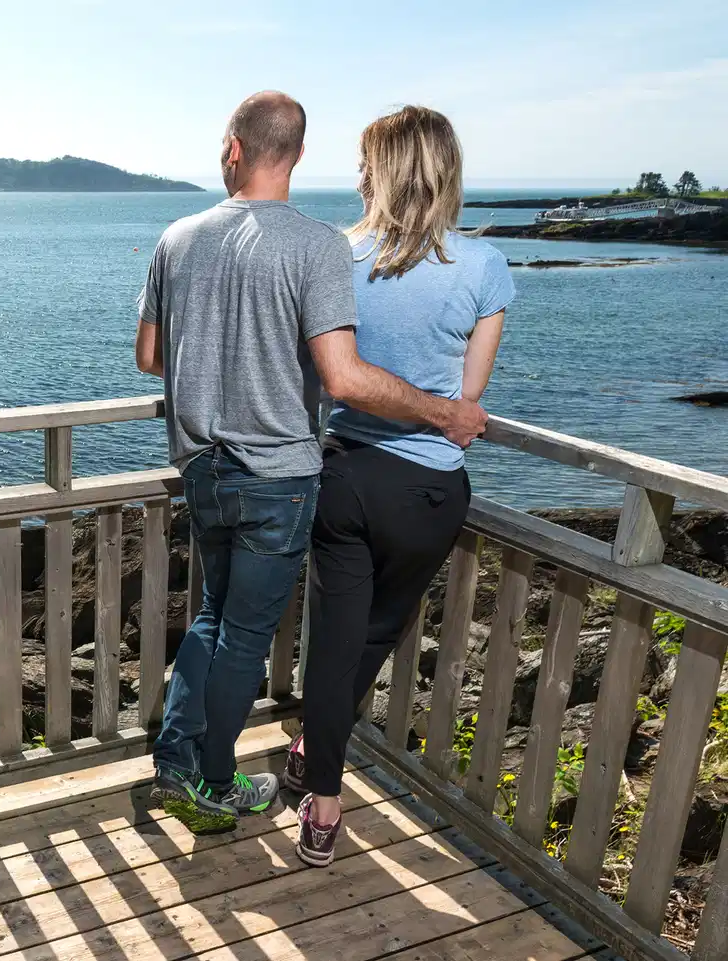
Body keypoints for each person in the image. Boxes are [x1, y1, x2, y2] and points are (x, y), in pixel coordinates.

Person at [135, 91, 488, 834]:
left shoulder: (177, 235)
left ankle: (175, 759)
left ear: (233, 149)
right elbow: (344, 378)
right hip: (279, 476)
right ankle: (214, 782)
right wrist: (443, 412)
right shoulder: (318, 245)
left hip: (201, 462)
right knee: (242, 635)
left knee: (211, 613)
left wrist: (222, 355)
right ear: (295, 155)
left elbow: (150, 357)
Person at [286, 105, 513, 866]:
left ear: (375, 171)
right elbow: (468, 402)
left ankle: (321, 800)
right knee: (375, 638)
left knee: (333, 642)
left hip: (344, 475)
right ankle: (315, 750)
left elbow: (320, 371)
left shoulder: (332, 255)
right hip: (427, 490)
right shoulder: (484, 266)